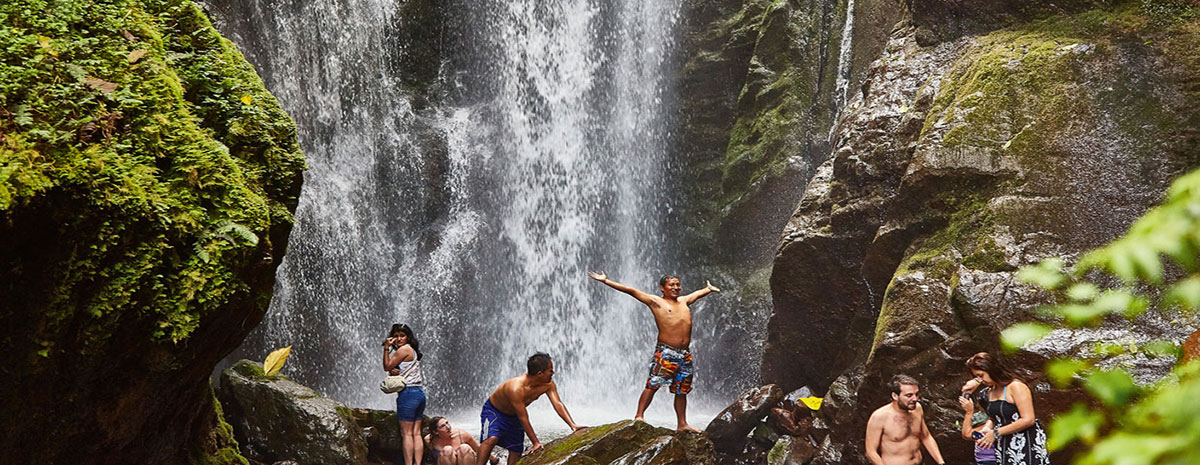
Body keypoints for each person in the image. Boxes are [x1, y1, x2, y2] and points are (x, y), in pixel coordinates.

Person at [587, 271, 719, 432]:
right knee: (653, 384)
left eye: (678, 284)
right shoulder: (656, 302)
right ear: (662, 288)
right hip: (666, 352)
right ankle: (639, 416)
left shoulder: (684, 301)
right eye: (672, 285)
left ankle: (682, 424)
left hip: (685, 354)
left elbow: (697, 294)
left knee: (682, 390)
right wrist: (606, 281)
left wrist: (708, 289)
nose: (676, 287)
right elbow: (631, 290)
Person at [474, 353, 583, 465]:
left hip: (514, 415)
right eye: (550, 370)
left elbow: (558, 404)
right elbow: (523, 418)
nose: (553, 373)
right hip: (494, 411)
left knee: (516, 449)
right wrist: (535, 442)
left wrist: (572, 425)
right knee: (491, 439)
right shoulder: (516, 388)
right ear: (540, 374)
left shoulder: (548, 384)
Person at [965, 352, 1050, 465]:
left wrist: (996, 433)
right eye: (976, 377)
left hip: (1026, 442)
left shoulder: (1015, 387)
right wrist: (987, 428)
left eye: (981, 375)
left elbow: (1028, 419)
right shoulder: (988, 392)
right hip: (1004, 443)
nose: (980, 380)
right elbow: (993, 417)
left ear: (991, 370)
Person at [864, 374, 946, 465]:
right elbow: (871, 452)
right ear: (895, 396)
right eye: (909, 395)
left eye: (916, 394)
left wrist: (941, 462)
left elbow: (926, 437)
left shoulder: (917, 409)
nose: (915, 399)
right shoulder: (879, 416)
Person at [383, 323, 426, 465]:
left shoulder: (403, 350)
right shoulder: (412, 350)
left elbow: (386, 366)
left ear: (408, 337)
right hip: (419, 393)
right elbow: (395, 369)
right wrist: (393, 370)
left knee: (406, 434)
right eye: (396, 336)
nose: (399, 339)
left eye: (402, 336)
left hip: (408, 394)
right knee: (416, 433)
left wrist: (387, 348)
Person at [958, 378, 997, 465]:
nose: (976, 404)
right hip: (984, 459)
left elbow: (967, 434)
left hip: (991, 460)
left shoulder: (994, 420)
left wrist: (969, 412)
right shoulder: (989, 420)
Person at [424, 416, 492, 465]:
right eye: (443, 426)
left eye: (447, 423)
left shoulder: (461, 434)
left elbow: (479, 450)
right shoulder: (429, 440)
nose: (448, 427)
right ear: (436, 432)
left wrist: (494, 460)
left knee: (464, 447)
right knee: (447, 450)